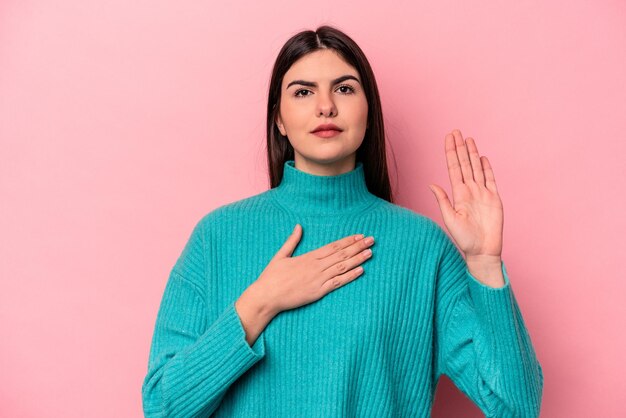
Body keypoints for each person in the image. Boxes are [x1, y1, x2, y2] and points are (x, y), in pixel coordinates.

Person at [141, 25, 544, 417]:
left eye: (345, 88)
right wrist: (259, 303)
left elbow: (517, 407)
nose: (325, 106)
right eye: (302, 92)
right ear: (278, 120)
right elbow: (162, 407)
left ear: (368, 112)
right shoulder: (217, 237)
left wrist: (485, 265)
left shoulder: (422, 248)